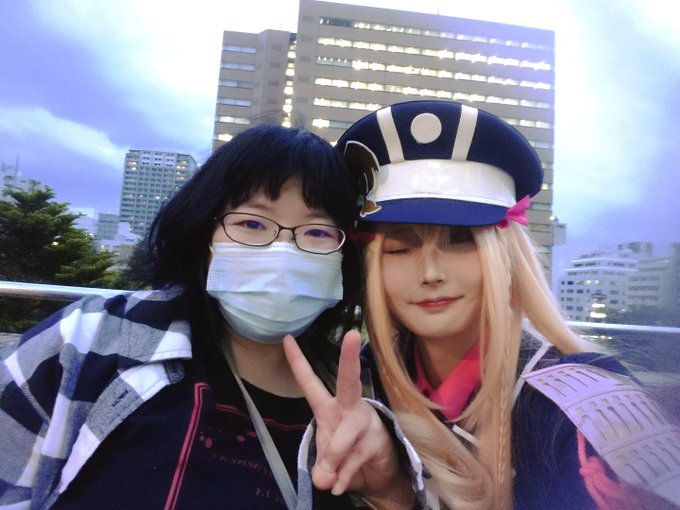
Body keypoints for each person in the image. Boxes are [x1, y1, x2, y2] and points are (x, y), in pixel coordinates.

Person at [0, 124, 423, 509]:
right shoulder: (90, 341)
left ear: (345, 257)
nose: (283, 253)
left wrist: (391, 490)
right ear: (205, 233)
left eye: (316, 232)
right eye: (252, 223)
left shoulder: (371, 393)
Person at [336, 100, 680, 510]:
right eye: (400, 247)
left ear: (506, 254)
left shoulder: (587, 411)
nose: (430, 272)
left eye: (460, 239)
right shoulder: (359, 381)